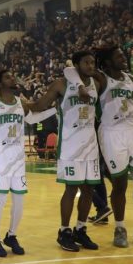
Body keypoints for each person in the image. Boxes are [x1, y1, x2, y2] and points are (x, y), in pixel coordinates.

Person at [64, 47, 133, 247]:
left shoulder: (132, 79)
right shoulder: (100, 78)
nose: (123, 58)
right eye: (119, 56)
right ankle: (120, 228)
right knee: (120, 184)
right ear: (108, 62)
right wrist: (80, 86)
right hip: (111, 132)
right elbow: (70, 70)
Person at [0, 70, 54, 257]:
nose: (13, 78)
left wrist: (56, 109)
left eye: (12, 76)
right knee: (0, 199)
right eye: (7, 77)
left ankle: (12, 235)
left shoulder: (20, 103)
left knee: (19, 200)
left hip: (17, 158)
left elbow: (34, 117)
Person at [28, 51, 100, 252]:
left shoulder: (97, 83)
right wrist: (20, 106)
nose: (90, 66)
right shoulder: (61, 84)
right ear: (76, 64)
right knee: (71, 188)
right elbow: (40, 105)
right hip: (70, 144)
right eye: (86, 62)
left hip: (91, 143)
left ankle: (80, 229)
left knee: (89, 189)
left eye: (93, 62)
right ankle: (64, 231)